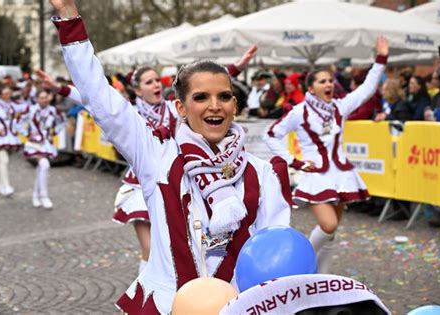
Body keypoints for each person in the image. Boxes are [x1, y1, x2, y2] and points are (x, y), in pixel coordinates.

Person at [49, 1, 292, 313]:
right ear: (181, 108)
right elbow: (102, 99)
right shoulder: (156, 155)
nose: (214, 106)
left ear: (235, 105)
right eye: (201, 97)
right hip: (167, 305)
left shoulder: (264, 174)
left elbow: (275, 256)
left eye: (224, 96)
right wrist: (70, 20)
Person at [36, 46, 257, 274]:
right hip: (141, 187)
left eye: (156, 80)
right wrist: (59, 88)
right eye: (149, 82)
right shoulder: (131, 113)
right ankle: (147, 298)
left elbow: (207, 87)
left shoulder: (174, 109)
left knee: (182, 249)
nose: (156, 85)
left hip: (177, 183)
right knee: (150, 249)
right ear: (138, 91)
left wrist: (238, 66)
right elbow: (94, 97)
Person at [264, 36, 389, 274]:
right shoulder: (299, 111)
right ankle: (301, 262)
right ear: (311, 88)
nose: (328, 84)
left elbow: (368, 88)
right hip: (316, 175)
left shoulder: (340, 107)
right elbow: (270, 135)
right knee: (328, 225)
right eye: (322, 81)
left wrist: (381, 58)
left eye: (330, 80)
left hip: (341, 175)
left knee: (331, 234)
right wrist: (295, 161)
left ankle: (321, 278)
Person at [19, 90, 65, 208]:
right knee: (44, 165)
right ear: (37, 99)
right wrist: (27, 133)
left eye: (46, 97)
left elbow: (62, 122)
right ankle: (44, 196)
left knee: (41, 168)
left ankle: (35, 194)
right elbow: (17, 121)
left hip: (47, 143)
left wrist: (54, 132)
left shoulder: (53, 110)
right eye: (41, 97)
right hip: (34, 144)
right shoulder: (30, 109)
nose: (44, 100)